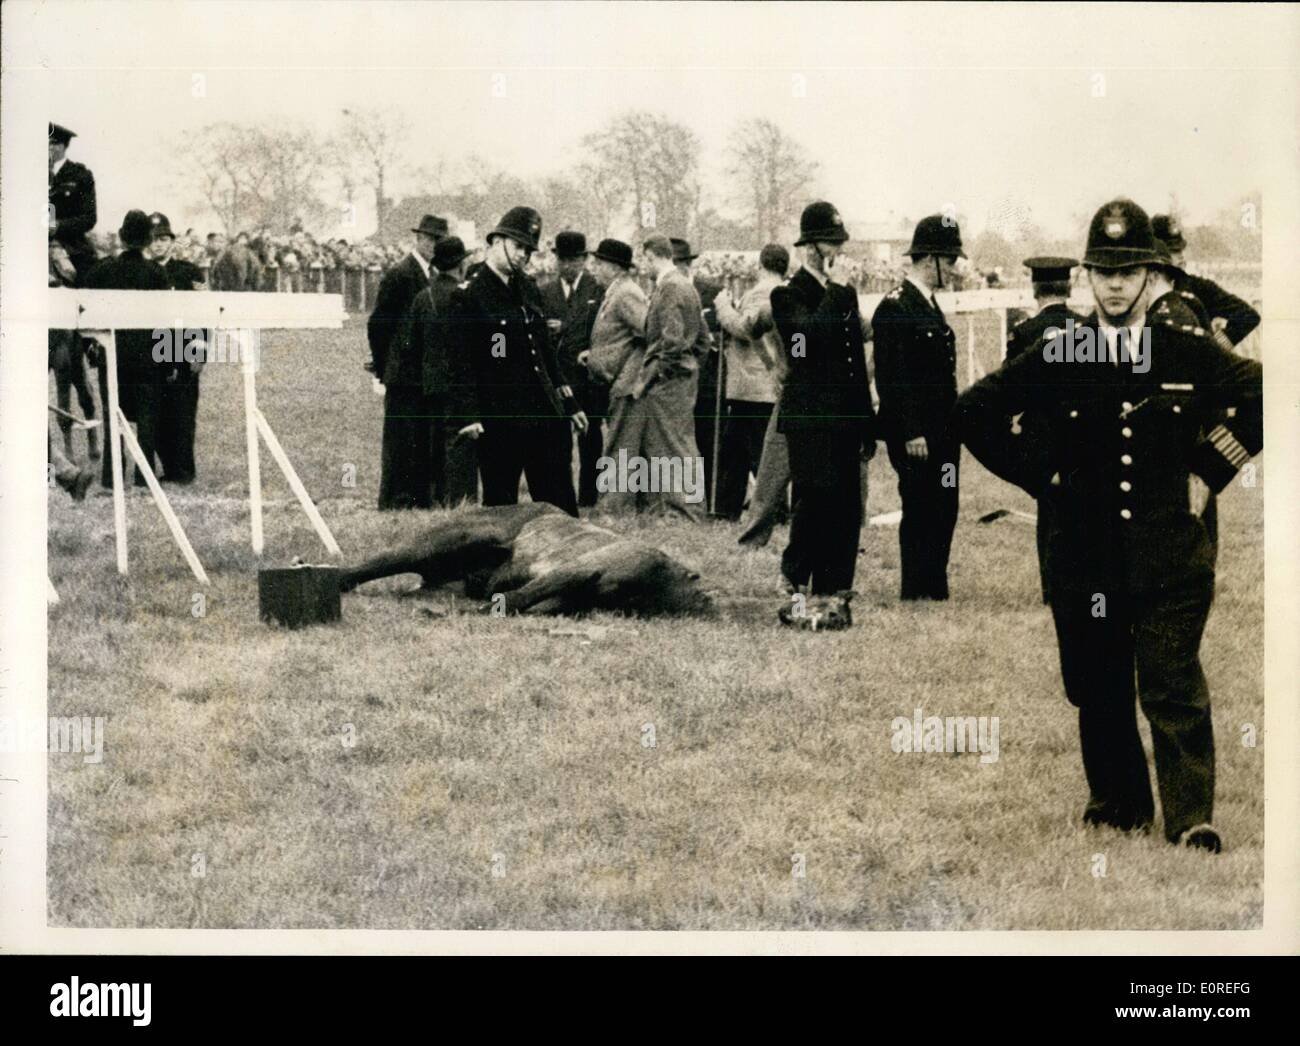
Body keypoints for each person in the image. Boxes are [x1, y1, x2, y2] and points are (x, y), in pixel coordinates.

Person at [955, 198, 1262, 853]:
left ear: (1153, 275)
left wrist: (1211, 466)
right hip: (1086, 552)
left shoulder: (1182, 348)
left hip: (1169, 549)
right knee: (1098, 683)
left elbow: (1263, 393)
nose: (1117, 284)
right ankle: (1118, 804)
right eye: (1104, 271)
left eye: (1130, 272)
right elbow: (976, 411)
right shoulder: (1059, 352)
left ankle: (1190, 820)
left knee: (1172, 679)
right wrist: (1044, 476)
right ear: (1087, 278)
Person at [445, 207, 586, 516]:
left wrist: (569, 400)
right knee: (501, 509)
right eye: (518, 245)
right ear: (496, 241)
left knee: (558, 503)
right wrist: (468, 414)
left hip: (542, 411)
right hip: (500, 417)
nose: (524, 255)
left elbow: (544, 349)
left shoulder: (527, 286)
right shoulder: (470, 294)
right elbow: (460, 361)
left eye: (529, 249)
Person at [769, 202, 875, 612]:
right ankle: (796, 574)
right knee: (814, 497)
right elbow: (804, 345)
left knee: (847, 503)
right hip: (811, 416)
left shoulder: (843, 294)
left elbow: (853, 362)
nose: (838, 252)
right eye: (831, 244)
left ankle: (836, 580)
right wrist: (835, 292)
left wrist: (865, 421)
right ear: (810, 249)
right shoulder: (787, 295)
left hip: (845, 414)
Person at [872, 213, 964, 600]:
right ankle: (916, 586)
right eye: (951, 260)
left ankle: (935, 583)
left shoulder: (927, 305)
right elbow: (893, 377)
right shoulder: (896, 307)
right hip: (917, 434)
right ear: (931, 260)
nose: (955, 268)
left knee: (944, 503)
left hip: (942, 431)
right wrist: (911, 430)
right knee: (920, 504)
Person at [1003, 257, 1087, 603]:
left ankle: (1052, 587)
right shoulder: (1087, 329)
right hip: (1082, 433)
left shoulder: (1024, 332)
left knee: (1049, 513)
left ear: (1034, 289)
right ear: (1068, 288)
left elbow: (1009, 392)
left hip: (1041, 434)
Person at [84, 210, 170, 488]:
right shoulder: (157, 273)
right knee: (148, 420)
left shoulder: (101, 271)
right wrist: (168, 360)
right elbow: (167, 322)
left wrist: (91, 350)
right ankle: (144, 477)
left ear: (121, 236)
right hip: (148, 358)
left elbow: (85, 315)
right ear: (147, 239)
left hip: (113, 355)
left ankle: (112, 478)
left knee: (113, 417)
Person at [369, 214, 445, 509]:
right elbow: (378, 324)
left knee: (420, 435)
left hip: (420, 371)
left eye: (439, 241)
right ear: (420, 239)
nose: (435, 246)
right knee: (400, 438)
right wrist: (383, 364)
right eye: (432, 240)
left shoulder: (431, 275)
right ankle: (394, 499)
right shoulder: (400, 273)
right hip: (402, 371)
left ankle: (418, 495)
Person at [713, 243, 787, 521]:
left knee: (759, 455)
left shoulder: (762, 292)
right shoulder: (781, 291)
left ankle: (774, 511)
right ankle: (726, 508)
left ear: (762, 265)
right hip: (754, 387)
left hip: (755, 386)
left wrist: (723, 308)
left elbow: (744, 329)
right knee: (737, 451)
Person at [410, 236, 478, 507]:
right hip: (460, 381)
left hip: (431, 381)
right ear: (460, 265)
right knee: (461, 440)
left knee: (434, 440)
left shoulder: (422, 297)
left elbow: (412, 343)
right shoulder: (464, 296)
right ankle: (460, 498)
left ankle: (434, 496)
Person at [541, 232, 607, 507]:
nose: (565, 266)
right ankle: (560, 495)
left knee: (590, 437)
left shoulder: (598, 291)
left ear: (583, 260)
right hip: (558, 376)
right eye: (561, 260)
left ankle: (589, 497)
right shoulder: (545, 291)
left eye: (571, 260)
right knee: (558, 441)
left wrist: (566, 328)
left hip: (587, 377)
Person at [48, 122, 100, 461]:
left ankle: (92, 341)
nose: (46, 152)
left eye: (51, 146)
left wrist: (57, 227)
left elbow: (88, 217)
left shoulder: (80, 176)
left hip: (70, 249)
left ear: (63, 147)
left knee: (86, 283)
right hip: (35, 247)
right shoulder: (26, 175)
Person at [148, 213, 205, 484]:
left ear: (171, 241)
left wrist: (199, 349)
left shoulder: (188, 271)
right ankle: (168, 467)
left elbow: (203, 313)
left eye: (163, 238)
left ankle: (183, 471)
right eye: (153, 239)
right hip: (152, 349)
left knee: (182, 412)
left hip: (182, 347)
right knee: (156, 413)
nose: (158, 244)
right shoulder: (144, 271)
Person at [1151, 214, 1260, 350]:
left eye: (1180, 250)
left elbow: (1248, 316)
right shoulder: (1135, 291)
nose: (1181, 256)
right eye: (1173, 251)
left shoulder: (1198, 287)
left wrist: (1214, 349)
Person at [674, 238, 723, 511]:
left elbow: (721, 332)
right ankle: (691, 497)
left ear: (685, 264)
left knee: (707, 438)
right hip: (679, 380)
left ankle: (710, 499)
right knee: (683, 439)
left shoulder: (712, 292)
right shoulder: (660, 291)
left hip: (707, 379)